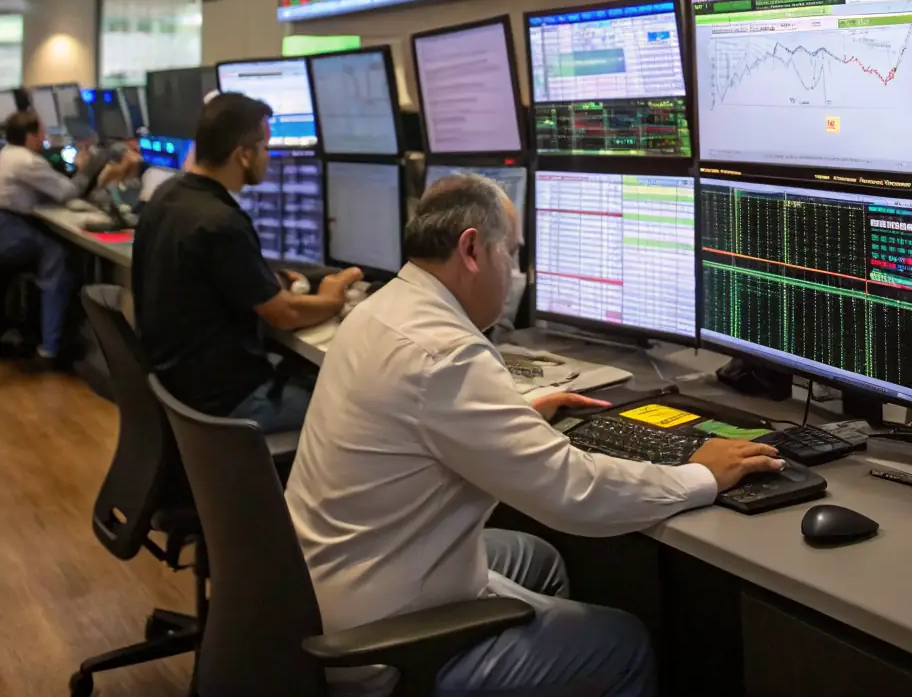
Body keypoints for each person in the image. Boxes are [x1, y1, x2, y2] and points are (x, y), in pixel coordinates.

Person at [286, 173, 783, 697]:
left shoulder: (382, 311)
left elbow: (420, 418)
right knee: (623, 642)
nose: (516, 272)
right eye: (513, 253)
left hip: (326, 588)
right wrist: (701, 475)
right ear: (472, 249)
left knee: (534, 558)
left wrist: (513, 414)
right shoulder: (446, 354)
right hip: (381, 645)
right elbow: (576, 494)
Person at [131, 91, 362, 433]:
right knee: (363, 404)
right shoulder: (221, 220)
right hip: (229, 403)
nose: (268, 157)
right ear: (243, 155)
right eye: (266, 148)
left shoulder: (167, 197)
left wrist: (261, 275)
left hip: (179, 391)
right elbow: (285, 314)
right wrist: (333, 296)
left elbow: (206, 278)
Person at [0, 110, 135, 363]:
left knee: (53, 246)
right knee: (58, 255)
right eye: (41, 132)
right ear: (30, 136)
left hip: (8, 225)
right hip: (11, 230)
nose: (45, 137)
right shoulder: (28, 161)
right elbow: (68, 192)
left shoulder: (7, 154)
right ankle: (50, 348)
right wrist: (92, 164)